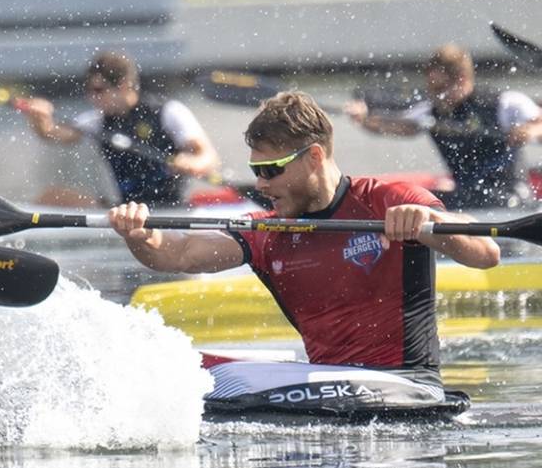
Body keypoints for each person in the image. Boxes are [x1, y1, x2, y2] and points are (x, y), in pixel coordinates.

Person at [112, 91, 500, 415]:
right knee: (174, 366)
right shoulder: (267, 231)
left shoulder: (387, 200)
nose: (261, 184)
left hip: (407, 384)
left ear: (314, 156)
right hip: (325, 387)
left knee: (229, 385)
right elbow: (180, 254)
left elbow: (486, 253)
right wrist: (140, 234)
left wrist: (430, 221)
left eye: (271, 170)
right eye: (257, 171)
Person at [345, 44, 542, 209]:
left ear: (462, 79)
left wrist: (530, 131)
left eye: (440, 88)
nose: (435, 95)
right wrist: (363, 118)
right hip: (468, 198)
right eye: (431, 88)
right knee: (415, 205)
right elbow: (397, 127)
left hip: (513, 199)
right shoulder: (430, 112)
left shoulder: (505, 103)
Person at [17, 51, 220, 206]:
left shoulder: (169, 111)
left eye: (99, 90)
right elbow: (52, 134)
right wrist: (39, 119)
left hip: (171, 208)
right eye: (89, 90)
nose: (92, 97)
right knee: (51, 197)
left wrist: (191, 162)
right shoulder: (97, 121)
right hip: (126, 209)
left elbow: (209, 157)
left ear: (123, 85)